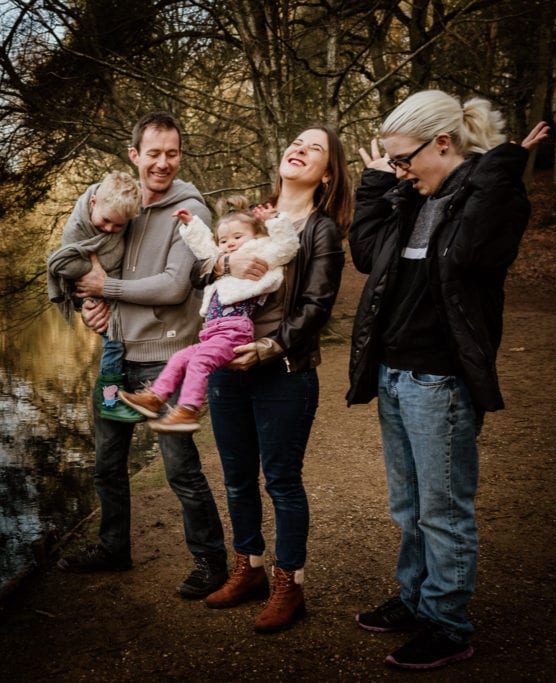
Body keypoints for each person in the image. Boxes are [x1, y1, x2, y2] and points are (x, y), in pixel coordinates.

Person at [346, 89, 549, 670]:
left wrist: (500, 168)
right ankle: (414, 600)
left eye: (405, 159)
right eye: (394, 164)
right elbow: (365, 255)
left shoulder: (488, 198)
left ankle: (447, 623)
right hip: (392, 373)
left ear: (443, 142)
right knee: (407, 507)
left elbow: (467, 257)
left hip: (440, 382)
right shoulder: (409, 198)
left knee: (443, 511)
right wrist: (375, 185)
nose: (401, 172)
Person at [56, 112, 229, 600]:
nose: (163, 163)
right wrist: (88, 303)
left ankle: (211, 561)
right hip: (116, 355)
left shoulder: (190, 210)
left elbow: (175, 287)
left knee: (180, 467)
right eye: (153, 153)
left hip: (166, 360)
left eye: (172, 153)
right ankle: (113, 548)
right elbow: (76, 260)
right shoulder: (111, 201)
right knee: (107, 463)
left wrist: (104, 287)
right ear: (134, 155)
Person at [195, 126, 353, 633]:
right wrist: (222, 257)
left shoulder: (320, 229)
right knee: (237, 477)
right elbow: (202, 272)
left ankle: (289, 583)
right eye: (296, 141)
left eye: (314, 148)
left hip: (283, 371)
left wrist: (270, 346)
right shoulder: (252, 217)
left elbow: (317, 305)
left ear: (326, 173)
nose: (299, 149)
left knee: (281, 480)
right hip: (224, 365)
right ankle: (249, 568)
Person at [119, 199, 299, 433]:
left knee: (199, 363)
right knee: (179, 358)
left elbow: (286, 246)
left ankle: (187, 411)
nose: (230, 244)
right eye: (224, 240)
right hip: (212, 333)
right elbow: (205, 249)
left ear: (256, 236)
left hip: (235, 331)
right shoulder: (223, 261)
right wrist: (191, 224)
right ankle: (155, 397)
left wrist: (274, 221)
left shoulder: (260, 255)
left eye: (237, 237)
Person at [47, 170, 145, 422]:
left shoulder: (118, 210)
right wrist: (94, 273)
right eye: (106, 221)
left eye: (118, 226)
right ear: (93, 203)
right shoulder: (77, 227)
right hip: (90, 292)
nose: (111, 229)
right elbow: (61, 264)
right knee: (113, 345)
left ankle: (117, 396)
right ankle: (110, 401)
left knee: (118, 344)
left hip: (113, 290)